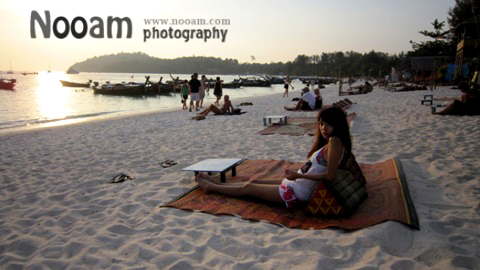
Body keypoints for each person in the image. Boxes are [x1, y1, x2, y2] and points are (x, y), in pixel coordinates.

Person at [196, 106, 352, 208]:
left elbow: (330, 176)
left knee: (248, 188)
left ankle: (212, 187)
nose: (323, 128)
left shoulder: (335, 141)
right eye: (321, 123)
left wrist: (297, 174)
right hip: (297, 183)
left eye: (328, 124)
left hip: (297, 193)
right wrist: (297, 175)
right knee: (252, 181)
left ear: (338, 125)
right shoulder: (334, 142)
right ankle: (216, 182)